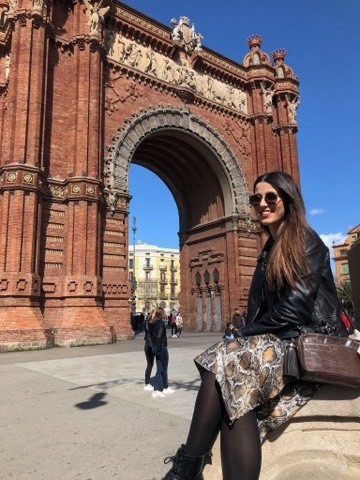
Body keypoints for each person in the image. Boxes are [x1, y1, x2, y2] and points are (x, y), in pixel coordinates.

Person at [162, 171, 348, 480]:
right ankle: (188, 467)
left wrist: (243, 334)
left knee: (224, 364)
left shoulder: (304, 240)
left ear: (288, 200)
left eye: (271, 197)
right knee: (230, 383)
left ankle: (186, 468)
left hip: (310, 342)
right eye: (256, 198)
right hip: (285, 340)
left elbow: (294, 310)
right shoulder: (270, 248)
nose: (262, 203)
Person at [148, 307, 175, 398]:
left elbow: (150, 336)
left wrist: (153, 347)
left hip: (156, 347)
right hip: (161, 347)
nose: (165, 314)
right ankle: (158, 390)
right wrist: (158, 348)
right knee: (163, 369)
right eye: (164, 312)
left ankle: (164, 388)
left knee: (160, 368)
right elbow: (159, 337)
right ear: (161, 313)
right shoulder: (160, 323)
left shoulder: (151, 322)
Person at [143, 310, 155, 391]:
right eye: (155, 314)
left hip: (152, 345)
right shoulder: (148, 322)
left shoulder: (152, 322)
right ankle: (147, 383)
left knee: (151, 364)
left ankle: (147, 383)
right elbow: (148, 335)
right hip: (149, 345)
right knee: (150, 364)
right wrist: (152, 345)